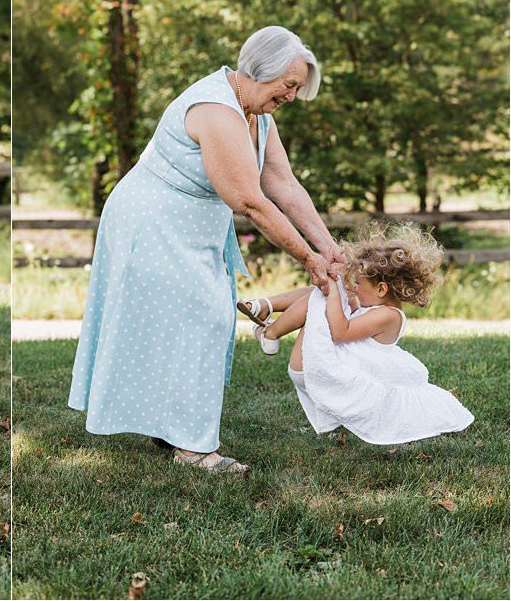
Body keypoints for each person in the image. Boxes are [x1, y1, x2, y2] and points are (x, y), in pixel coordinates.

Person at [68, 25, 343, 476]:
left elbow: (283, 184)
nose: (292, 96)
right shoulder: (217, 110)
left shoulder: (258, 115)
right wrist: (306, 259)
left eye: (296, 88)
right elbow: (250, 201)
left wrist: (328, 248)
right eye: (288, 85)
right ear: (259, 71)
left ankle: (172, 425)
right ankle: (193, 447)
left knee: (191, 318)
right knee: (203, 316)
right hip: (151, 220)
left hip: (190, 225)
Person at [239, 222, 474, 444]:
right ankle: (265, 306)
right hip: (318, 366)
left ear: (381, 289)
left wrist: (334, 291)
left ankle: (271, 332)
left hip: (318, 369)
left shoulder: (389, 316)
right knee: (321, 291)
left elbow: (341, 332)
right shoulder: (375, 308)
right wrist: (341, 294)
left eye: (360, 284)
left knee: (322, 294)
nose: (355, 287)